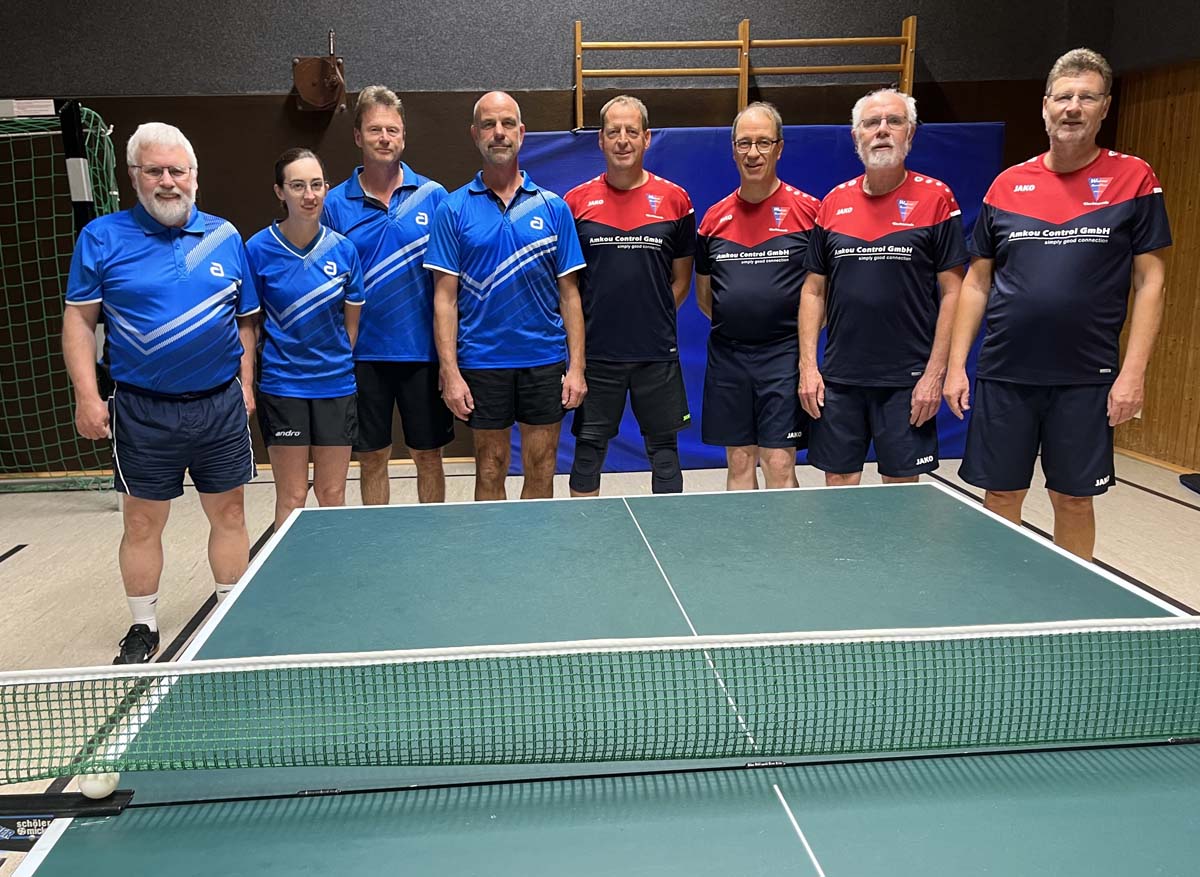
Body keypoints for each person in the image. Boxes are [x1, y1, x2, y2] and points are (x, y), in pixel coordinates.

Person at [944, 48, 1171, 560]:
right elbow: (977, 283)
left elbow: (1151, 282)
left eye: (1086, 97)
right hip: (1006, 371)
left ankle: (1073, 616)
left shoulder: (1134, 179)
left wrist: (1132, 374)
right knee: (1001, 494)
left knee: (1072, 498)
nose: (1073, 107)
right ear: (1045, 105)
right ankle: (1001, 602)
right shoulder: (1007, 185)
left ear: (1104, 107)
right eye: (1063, 97)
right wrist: (957, 365)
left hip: (1086, 375)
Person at [62, 122, 260, 664]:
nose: (168, 181)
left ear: (195, 176)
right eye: (155, 171)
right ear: (134, 177)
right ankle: (143, 626)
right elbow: (80, 321)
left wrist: (245, 383)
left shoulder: (224, 236)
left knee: (232, 514)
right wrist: (86, 394)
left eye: (178, 170)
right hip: (142, 409)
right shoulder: (101, 238)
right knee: (143, 522)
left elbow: (245, 322)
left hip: (219, 405)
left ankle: (229, 613)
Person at [425, 91, 587, 500]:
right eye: (488, 125)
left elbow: (570, 296)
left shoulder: (553, 208)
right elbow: (444, 298)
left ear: (522, 132)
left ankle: (533, 559)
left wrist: (577, 367)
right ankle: (493, 561)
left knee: (542, 466)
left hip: (544, 360)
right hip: (482, 362)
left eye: (507, 124)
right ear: (475, 134)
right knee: (490, 468)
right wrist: (450, 371)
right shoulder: (453, 208)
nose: (499, 133)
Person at [799, 88, 966, 485]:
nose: (882, 131)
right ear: (857, 136)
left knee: (901, 498)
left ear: (910, 133)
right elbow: (812, 291)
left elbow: (955, 291)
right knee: (838, 487)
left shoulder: (937, 198)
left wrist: (934, 373)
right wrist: (808, 367)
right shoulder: (832, 204)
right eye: (872, 123)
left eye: (894, 121)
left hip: (907, 380)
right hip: (840, 378)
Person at [322, 86, 453, 504]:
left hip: (422, 354)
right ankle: (376, 547)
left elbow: (449, 285)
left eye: (392, 130)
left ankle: (433, 541)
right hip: (362, 356)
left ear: (403, 136)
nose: (385, 138)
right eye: (375, 129)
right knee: (373, 456)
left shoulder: (434, 198)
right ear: (358, 136)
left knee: (428, 455)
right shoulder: (333, 204)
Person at [563, 95, 694, 496]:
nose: (623, 140)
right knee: (588, 453)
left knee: (665, 453)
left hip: (656, 352)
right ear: (600, 140)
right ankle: (582, 536)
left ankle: (669, 535)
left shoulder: (676, 200)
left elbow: (682, 281)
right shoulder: (575, 203)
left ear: (647, 138)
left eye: (631, 132)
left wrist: (648, 317)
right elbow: (567, 285)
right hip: (597, 353)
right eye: (614, 132)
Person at [695, 102, 819, 490]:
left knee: (779, 463)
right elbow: (705, 296)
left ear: (779, 148)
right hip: (729, 356)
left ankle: (787, 551)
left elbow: (823, 296)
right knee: (739, 461)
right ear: (733, 149)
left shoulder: (809, 212)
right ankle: (743, 550)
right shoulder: (714, 219)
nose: (753, 153)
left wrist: (801, 349)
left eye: (763, 143)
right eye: (744, 143)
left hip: (784, 355)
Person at [246, 148, 365, 530]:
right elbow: (250, 324)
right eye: (297, 186)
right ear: (280, 192)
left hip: (335, 386)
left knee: (332, 494)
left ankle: (333, 581)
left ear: (327, 189)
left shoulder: (344, 250)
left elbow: (350, 326)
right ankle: (287, 583)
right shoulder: (257, 249)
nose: (308, 195)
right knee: (293, 496)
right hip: (283, 388)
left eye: (316, 185)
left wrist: (329, 361)